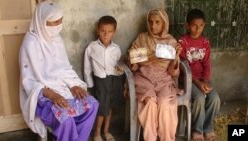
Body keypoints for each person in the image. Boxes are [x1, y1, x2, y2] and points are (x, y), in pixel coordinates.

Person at [19, 1, 98, 141]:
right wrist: (52, 95)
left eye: (59, 22)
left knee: (92, 105)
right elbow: (28, 81)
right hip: (42, 94)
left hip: (63, 87)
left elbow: (64, 68)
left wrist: (73, 85)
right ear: (41, 22)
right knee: (65, 119)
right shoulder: (30, 44)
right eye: (52, 23)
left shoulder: (57, 40)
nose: (57, 27)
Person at [128, 9, 183, 141]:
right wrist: (149, 58)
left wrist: (176, 57)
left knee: (165, 103)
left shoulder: (171, 42)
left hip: (164, 80)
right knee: (150, 103)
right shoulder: (142, 38)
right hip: (144, 78)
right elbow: (133, 62)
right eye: (151, 22)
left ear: (164, 23)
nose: (153, 26)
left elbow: (173, 72)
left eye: (157, 22)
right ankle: (150, 138)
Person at [179, 9, 221, 141]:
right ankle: (197, 131)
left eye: (201, 26)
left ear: (204, 25)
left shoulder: (205, 42)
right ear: (187, 25)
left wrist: (206, 81)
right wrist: (198, 83)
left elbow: (207, 64)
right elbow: (184, 67)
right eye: (194, 25)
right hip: (187, 79)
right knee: (199, 97)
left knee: (215, 99)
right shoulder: (182, 42)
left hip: (203, 80)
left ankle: (207, 128)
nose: (197, 29)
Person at [84, 15, 124, 141]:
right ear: (97, 30)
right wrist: (89, 85)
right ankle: (96, 132)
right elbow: (87, 68)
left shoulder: (116, 49)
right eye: (103, 31)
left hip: (114, 80)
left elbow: (118, 65)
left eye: (110, 31)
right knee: (102, 108)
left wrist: (120, 71)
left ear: (114, 32)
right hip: (100, 81)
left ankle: (106, 131)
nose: (106, 34)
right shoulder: (92, 47)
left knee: (110, 106)